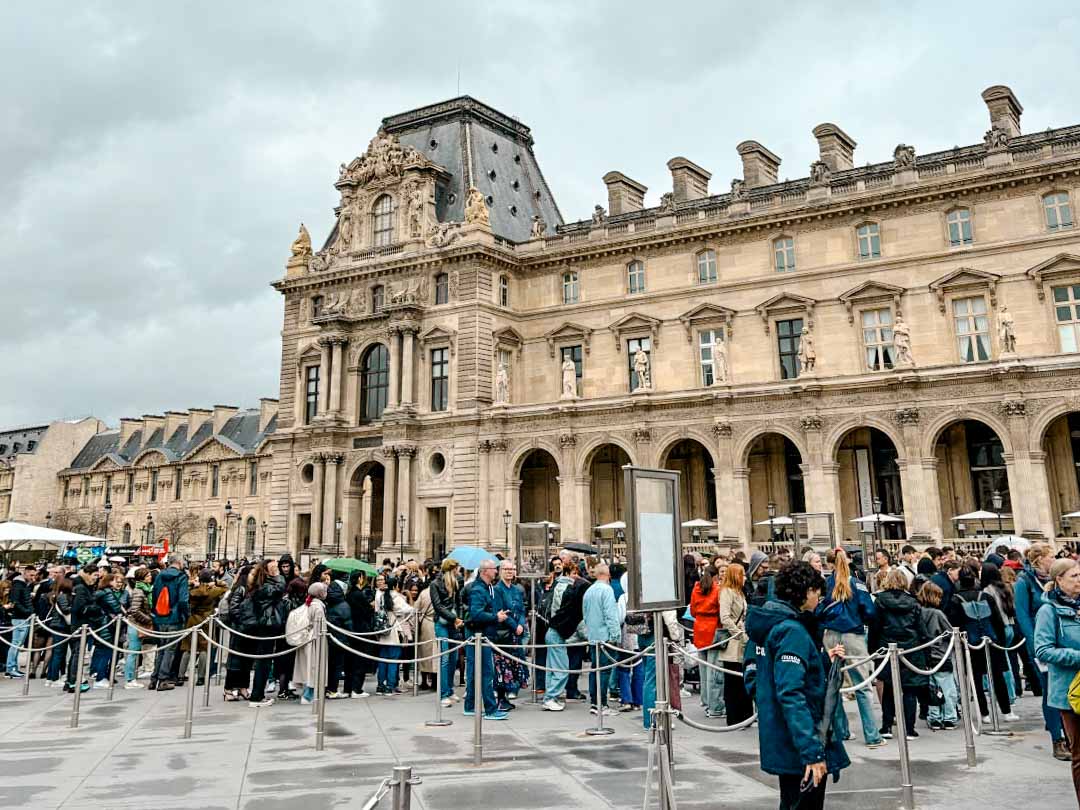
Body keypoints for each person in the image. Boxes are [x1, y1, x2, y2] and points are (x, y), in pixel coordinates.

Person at [746, 561, 849, 809]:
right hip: (800, 739)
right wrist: (811, 751)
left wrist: (821, 660)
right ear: (805, 592)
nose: (819, 597)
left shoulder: (771, 624)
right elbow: (791, 693)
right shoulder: (792, 631)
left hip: (783, 735)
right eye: (816, 591)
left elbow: (761, 674)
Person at [820, 548, 883, 747]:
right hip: (852, 634)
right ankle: (872, 735)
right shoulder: (857, 583)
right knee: (863, 686)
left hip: (830, 635)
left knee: (833, 684)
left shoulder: (827, 584)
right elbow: (870, 611)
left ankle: (842, 731)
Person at [1016, 544, 1069, 760]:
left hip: (1062, 640)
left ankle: (1067, 733)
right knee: (1051, 691)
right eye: (1051, 556)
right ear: (1039, 560)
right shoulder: (1024, 582)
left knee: (1067, 689)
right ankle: (1058, 739)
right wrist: (1036, 645)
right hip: (1042, 643)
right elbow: (1022, 615)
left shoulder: (1058, 579)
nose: (1054, 559)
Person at [1034, 557, 1080, 804]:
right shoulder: (1048, 611)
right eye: (1074, 576)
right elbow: (1042, 650)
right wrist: (1078, 657)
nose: (1079, 580)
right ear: (1059, 580)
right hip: (1070, 692)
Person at [869, 569, 929, 740]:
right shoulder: (913, 602)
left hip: (887, 646)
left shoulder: (880, 602)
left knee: (888, 688)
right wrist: (927, 653)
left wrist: (872, 649)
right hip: (911, 648)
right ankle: (909, 728)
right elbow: (921, 629)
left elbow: (875, 627)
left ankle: (887, 726)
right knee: (909, 690)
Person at [948, 565, 1013, 722]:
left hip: (969, 644)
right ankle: (1006, 711)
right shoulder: (986, 597)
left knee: (975, 678)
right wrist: (1001, 643)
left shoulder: (955, 600)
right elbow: (997, 621)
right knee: (997, 677)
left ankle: (984, 713)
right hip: (990, 641)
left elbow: (954, 624)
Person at [462, 560, 508, 720]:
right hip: (479, 635)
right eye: (493, 569)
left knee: (476, 672)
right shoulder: (478, 590)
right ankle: (490, 709)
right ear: (484, 571)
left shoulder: (485, 588)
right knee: (486, 673)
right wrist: (496, 617)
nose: (496, 571)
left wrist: (496, 614)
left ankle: (469, 706)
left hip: (480, 635)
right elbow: (476, 614)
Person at [916, 582, 957, 730]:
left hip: (925, 656)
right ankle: (949, 716)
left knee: (932, 689)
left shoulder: (919, 612)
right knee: (947, 688)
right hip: (941, 655)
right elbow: (951, 632)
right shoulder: (938, 614)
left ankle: (934, 717)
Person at [582, 562, 620, 717]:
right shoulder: (607, 590)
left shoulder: (589, 591)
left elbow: (584, 615)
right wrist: (615, 635)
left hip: (593, 636)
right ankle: (602, 704)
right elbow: (611, 615)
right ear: (608, 574)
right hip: (605, 637)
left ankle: (594, 702)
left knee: (594, 670)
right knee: (604, 672)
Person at [718, 562, 751, 725]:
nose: (744, 577)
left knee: (742, 679)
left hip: (742, 638)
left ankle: (745, 715)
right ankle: (734, 716)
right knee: (733, 681)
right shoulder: (727, 592)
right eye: (742, 574)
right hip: (733, 641)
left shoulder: (740, 592)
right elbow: (724, 617)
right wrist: (737, 633)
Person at [149, 555, 190, 692]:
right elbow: (183, 600)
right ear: (179, 562)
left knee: (161, 648)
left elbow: (154, 595)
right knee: (170, 649)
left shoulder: (160, 576)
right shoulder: (181, 577)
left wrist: (156, 612)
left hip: (160, 616)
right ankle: (163, 679)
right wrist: (186, 615)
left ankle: (154, 678)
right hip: (174, 616)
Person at [179, 570, 226, 686]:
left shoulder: (193, 591)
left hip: (193, 619)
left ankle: (180, 676)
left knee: (188, 649)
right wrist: (216, 582)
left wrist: (192, 584)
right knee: (204, 649)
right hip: (206, 619)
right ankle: (200, 677)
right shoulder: (213, 591)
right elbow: (226, 589)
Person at [493, 560, 527, 712]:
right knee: (502, 667)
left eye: (512, 569)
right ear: (500, 571)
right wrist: (515, 626)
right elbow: (501, 612)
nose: (510, 572)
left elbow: (521, 609)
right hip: (503, 633)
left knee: (513, 666)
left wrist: (520, 624)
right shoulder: (497, 590)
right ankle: (501, 698)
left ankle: (506, 696)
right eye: (506, 569)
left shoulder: (517, 590)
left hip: (516, 634)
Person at [689, 564, 723, 718]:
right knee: (713, 670)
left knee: (703, 669)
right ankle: (715, 704)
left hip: (699, 627)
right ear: (715, 576)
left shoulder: (696, 588)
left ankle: (705, 700)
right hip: (713, 627)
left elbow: (693, 611)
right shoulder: (717, 589)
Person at [430, 559, 464, 706]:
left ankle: (449, 690)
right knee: (444, 659)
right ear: (452, 569)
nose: (459, 571)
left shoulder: (456, 583)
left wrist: (459, 618)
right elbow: (438, 606)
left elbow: (459, 603)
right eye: (457, 569)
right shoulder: (435, 584)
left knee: (453, 659)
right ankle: (443, 693)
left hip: (453, 624)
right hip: (442, 623)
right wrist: (454, 618)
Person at [541, 561, 574, 711]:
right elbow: (560, 611)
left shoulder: (557, 586)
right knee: (561, 668)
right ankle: (550, 697)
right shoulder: (566, 587)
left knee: (552, 667)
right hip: (557, 630)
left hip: (552, 630)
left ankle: (550, 696)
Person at [66, 565, 104, 694]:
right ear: (87, 573)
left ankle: (71, 680)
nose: (96, 579)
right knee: (78, 653)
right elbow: (79, 608)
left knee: (77, 653)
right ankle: (73, 681)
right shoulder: (81, 588)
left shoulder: (82, 586)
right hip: (81, 625)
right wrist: (96, 608)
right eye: (95, 575)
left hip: (82, 624)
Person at [374, 574, 413, 696]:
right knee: (393, 659)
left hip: (382, 630)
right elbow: (409, 610)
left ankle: (381, 685)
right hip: (394, 630)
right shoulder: (397, 597)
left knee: (382, 659)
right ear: (396, 586)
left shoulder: (380, 596)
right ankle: (390, 685)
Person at [293, 582, 327, 704]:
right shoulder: (318, 607)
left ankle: (308, 693)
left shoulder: (309, 604)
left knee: (308, 667)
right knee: (313, 667)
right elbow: (320, 626)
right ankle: (308, 695)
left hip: (306, 638)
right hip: (314, 640)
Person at [345, 570, 374, 698]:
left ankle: (348, 688)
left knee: (351, 660)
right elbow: (367, 612)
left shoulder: (349, 594)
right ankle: (357, 689)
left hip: (352, 630)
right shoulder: (358, 594)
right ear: (360, 578)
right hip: (361, 629)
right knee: (360, 660)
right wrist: (370, 606)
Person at [123, 567, 154, 688]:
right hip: (136, 624)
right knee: (133, 652)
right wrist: (148, 619)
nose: (150, 577)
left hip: (138, 623)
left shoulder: (144, 590)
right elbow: (135, 610)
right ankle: (129, 679)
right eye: (148, 576)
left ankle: (132, 677)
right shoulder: (139, 591)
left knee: (135, 651)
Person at [5, 565, 37, 678]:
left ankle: (13, 667)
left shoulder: (23, 584)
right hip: (20, 618)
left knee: (17, 644)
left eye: (34, 575)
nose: (33, 577)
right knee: (16, 644)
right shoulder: (18, 585)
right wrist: (28, 611)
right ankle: (10, 668)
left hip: (23, 617)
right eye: (31, 575)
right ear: (25, 572)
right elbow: (15, 602)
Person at [324, 579, 354, 699]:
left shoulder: (327, 602)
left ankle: (328, 688)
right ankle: (333, 690)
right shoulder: (343, 605)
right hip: (340, 639)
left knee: (329, 665)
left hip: (329, 638)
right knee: (337, 666)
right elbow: (348, 624)